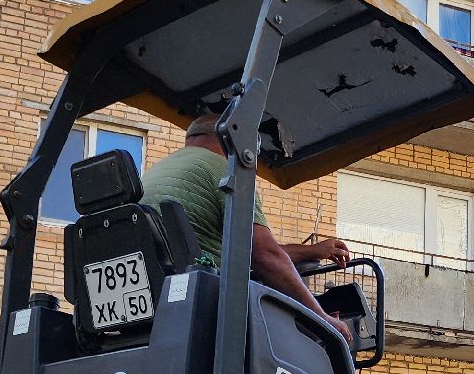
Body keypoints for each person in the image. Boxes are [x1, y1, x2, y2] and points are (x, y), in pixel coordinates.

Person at [138, 113, 353, 344]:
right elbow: (265, 257)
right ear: (232, 139)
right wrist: (321, 319)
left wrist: (312, 251)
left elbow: (248, 248)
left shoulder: (152, 175)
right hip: (200, 308)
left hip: (151, 304)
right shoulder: (225, 172)